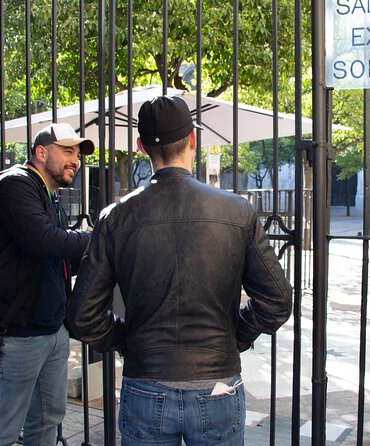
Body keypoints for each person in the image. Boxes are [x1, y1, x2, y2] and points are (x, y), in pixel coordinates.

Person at [66, 95, 293, 445]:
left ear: (142, 147)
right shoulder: (237, 211)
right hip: (218, 383)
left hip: (145, 383)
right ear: (193, 140)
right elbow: (277, 301)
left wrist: (128, 340)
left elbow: (83, 316)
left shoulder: (115, 217)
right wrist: (237, 335)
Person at [0, 123, 95, 445]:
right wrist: (99, 237)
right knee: (3, 428)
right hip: (16, 335)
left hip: (52, 332)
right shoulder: (14, 185)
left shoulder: (51, 198)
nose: (75, 160)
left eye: (77, 154)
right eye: (67, 151)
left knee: (47, 424)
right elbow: (44, 241)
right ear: (40, 152)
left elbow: (61, 258)